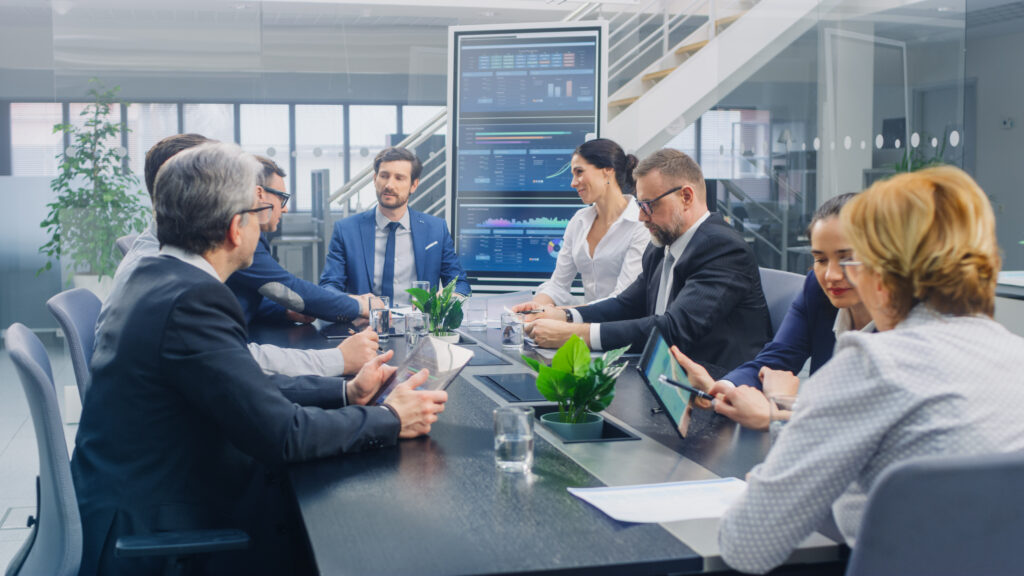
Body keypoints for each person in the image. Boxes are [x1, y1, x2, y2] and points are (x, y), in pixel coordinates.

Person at [72, 142, 448, 576]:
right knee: (353, 537)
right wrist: (391, 419)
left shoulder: (158, 275)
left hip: (148, 492)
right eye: (258, 212)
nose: (265, 224)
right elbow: (283, 435)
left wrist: (345, 391)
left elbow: (242, 380)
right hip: (161, 530)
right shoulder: (194, 299)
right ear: (236, 228)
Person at [718, 166, 1024, 574]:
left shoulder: (872, 363)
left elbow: (746, 546)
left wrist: (771, 472)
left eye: (854, 258)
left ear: (881, 272)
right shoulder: (1014, 353)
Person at [97, 134, 375, 378]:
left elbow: (227, 353)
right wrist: (337, 359)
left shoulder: (169, 262)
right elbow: (238, 363)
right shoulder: (180, 287)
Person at [524, 148, 771, 378]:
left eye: (648, 205)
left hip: (714, 386)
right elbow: (626, 304)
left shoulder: (722, 249)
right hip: (665, 375)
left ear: (686, 197)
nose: (641, 216)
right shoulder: (661, 247)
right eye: (640, 205)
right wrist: (566, 315)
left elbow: (672, 329)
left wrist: (575, 335)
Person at [671, 193, 873, 429]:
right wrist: (722, 388)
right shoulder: (816, 289)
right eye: (821, 260)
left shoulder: (904, 329)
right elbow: (775, 360)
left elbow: (869, 425)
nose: (831, 276)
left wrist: (777, 413)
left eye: (847, 259)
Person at [226, 156, 372, 325]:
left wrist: (285, 311)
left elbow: (242, 300)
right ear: (259, 194)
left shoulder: (247, 235)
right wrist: (359, 306)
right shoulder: (241, 237)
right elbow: (288, 288)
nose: (285, 209)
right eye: (281, 198)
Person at [319, 146, 470, 306]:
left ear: (414, 185)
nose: (389, 185)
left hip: (419, 327)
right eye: (384, 176)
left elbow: (460, 284)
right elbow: (329, 288)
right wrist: (358, 303)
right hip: (364, 326)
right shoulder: (346, 230)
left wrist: (445, 299)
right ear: (375, 179)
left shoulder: (436, 230)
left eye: (399, 178)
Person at [512, 138, 649, 309]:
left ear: (607, 171)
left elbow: (621, 299)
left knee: (550, 329)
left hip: (621, 331)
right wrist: (535, 308)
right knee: (536, 333)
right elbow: (558, 285)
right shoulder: (579, 221)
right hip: (585, 329)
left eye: (579, 172)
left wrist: (562, 313)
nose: (573, 182)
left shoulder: (641, 224)